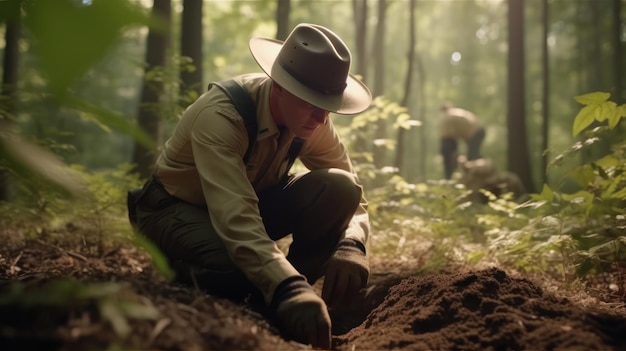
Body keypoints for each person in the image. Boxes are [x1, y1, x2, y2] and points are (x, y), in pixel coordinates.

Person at [128, 23, 372, 349]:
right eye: (311, 103)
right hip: (172, 208)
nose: (321, 118)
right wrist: (286, 286)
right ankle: (213, 276)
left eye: (327, 107)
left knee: (341, 188)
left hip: (247, 205)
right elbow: (236, 218)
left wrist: (353, 244)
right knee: (237, 270)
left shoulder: (312, 121)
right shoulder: (222, 117)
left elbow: (353, 191)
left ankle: (286, 294)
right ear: (280, 87)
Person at [439, 102, 485, 179]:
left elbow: (448, 135)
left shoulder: (448, 115)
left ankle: (478, 175)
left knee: (473, 155)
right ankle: (480, 172)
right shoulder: (454, 113)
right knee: (473, 154)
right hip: (477, 130)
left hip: (475, 132)